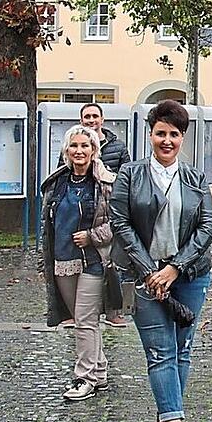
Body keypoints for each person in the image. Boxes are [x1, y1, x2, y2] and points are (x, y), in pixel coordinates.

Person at [109, 100, 212, 422]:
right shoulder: (130, 174)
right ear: (150, 134)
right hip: (145, 278)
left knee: (182, 350)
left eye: (174, 134)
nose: (166, 140)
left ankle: (162, 421)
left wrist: (174, 268)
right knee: (160, 353)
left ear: (182, 138)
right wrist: (150, 271)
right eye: (160, 133)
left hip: (189, 276)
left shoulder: (195, 178)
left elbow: (207, 227)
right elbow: (120, 223)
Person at [42, 125, 120, 400]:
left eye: (84, 146)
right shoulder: (57, 182)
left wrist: (92, 236)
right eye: (74, 146)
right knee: (82, 319)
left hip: (94, 260)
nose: (79, 151)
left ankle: (83, 377)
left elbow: (119, 222)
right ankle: (99, 371)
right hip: (63, 260)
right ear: (66, 150)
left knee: (85, 320)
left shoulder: (105, 182)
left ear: (94, 150)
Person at [58, 104, 132, 328]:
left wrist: (109, 177)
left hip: (100, 235)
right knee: (83, 316)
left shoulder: (117, 147)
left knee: (109, 274)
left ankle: (112, 313)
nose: (91, 120)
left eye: (94, 116)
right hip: (70, 246)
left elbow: (126, 177)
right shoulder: (61, 178)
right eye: (86, 117)